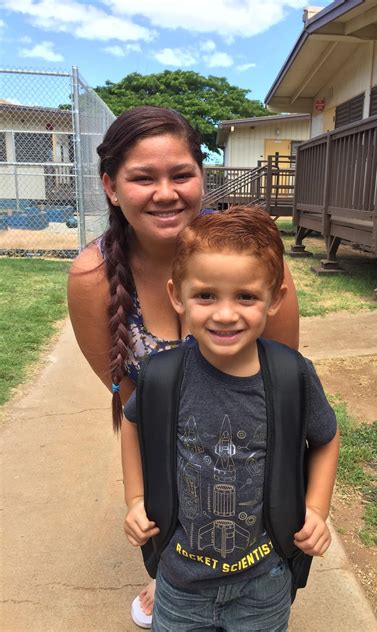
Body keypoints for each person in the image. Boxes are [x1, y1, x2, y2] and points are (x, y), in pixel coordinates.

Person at [67, 106, 300, 628]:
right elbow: (133, 403)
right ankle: (168, 569)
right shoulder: (92, 278)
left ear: (202, 176)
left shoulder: (258, 261)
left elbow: (285, 386)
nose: (166, 192)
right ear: (110, 186)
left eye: (181, 174)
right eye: (142, 177)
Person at [121, 206, 340, 631]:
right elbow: (132, 424)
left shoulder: (292, 376)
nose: (225, 313)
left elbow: (326, 439)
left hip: (264, 581)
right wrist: (134, 499)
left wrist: (316, 508)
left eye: (246, 296)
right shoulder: (163, 377)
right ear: (176, 295)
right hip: (180, 580)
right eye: (205, 295)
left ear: (275, 298)